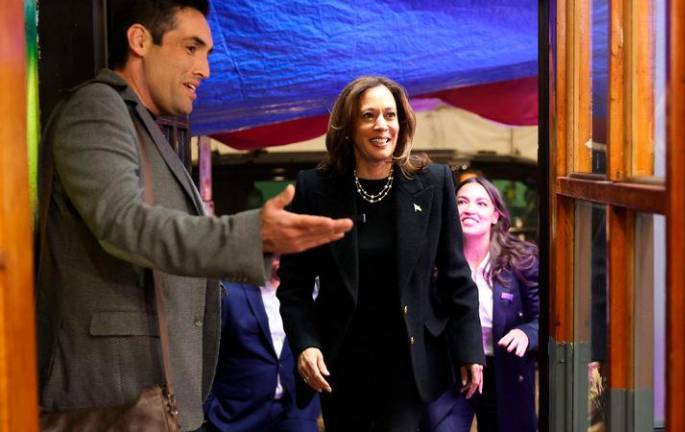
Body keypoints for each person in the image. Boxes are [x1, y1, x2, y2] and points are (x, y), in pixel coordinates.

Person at [35, 1, 351, 431]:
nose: (204, 68)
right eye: (191, 48)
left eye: (207, 54)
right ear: (140, 40)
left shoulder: (145, 124)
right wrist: (250, 236)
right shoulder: (97, 108)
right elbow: (123, 222)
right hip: (112, 390)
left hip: (156, 391)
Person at [277, 76, 485, 431]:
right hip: (340, 361)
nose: (381, 125)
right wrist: (306, 344)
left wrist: (469, 349)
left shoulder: (434, 183)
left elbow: (455, 276)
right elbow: (294, 287)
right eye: (368, 116)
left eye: (390, 115)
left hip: (408, 358)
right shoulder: (314, 189)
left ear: (402, 124)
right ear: (349, 127)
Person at [423, 176, 540, 432]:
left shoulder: (521, 260)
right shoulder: (433, 262)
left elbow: (546, 321)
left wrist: (526, 332)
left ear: (496, 215)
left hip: (505, 372)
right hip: (452, 372)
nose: (469, 209)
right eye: (461, 202)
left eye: (480, 203)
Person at [204, 255, 320, 432]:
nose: (278, 262)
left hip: (296, 414)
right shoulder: (227, 290)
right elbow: (204, 355)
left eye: (285, 255)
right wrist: (211, 408)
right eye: (272, 255)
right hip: (236, 417)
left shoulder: (310, 292)